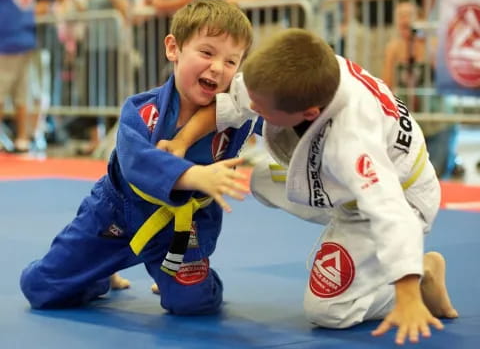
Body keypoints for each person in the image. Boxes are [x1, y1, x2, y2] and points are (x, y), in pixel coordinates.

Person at [158, 28, 459, 344]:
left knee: (328, 312)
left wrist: (407, 292)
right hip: (340, 185)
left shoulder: (353, 141)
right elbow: (233, 105)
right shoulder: (293, 73)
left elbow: (392, 213)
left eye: (262, 109)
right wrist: (181, 142)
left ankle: (422, 273)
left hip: (400, 198)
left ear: (310, 113)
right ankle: (362, 253)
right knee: (260, 179)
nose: (253, 111)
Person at [20, 0, 257, 315]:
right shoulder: (142, 110)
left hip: (178, 228)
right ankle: (99, 275)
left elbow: (283, 113)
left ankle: (173, 273)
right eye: (207, 52)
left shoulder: (237, 114)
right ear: (173, 48)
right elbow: (136, 162)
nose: (218, 67)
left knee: (193, 303)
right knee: (40, 288)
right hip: (115, 215)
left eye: (231, 62)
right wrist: (193, 176)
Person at [382, 0, 462, 179]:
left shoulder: (432, 42)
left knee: (439, 176)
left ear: (419, 19)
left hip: (439, 120)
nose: (404, 20)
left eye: (408, 15)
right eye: (399, 16)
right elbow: (387, 83)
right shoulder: (393, 47)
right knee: (411, 178)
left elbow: (444, 76)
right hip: (410, 123)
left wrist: (423, 44)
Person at [0, 0, 37, 153]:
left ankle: (22, 138)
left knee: (17, 94)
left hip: (17, 43)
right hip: (15, 42)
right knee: (13, 94)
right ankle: (21, 138)